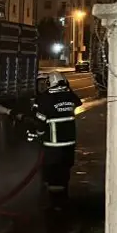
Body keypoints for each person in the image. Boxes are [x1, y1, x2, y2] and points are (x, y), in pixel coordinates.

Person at [29, 71, 82, 210]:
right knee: (64, 174)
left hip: (53, 146)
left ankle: (54, 205)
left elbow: (40, 123)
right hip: (69, 145)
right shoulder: (70, 96)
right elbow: (78, 102)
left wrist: (38, 134)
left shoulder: (45, 99)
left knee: (52, 175)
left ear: (49, 83)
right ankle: (63, 201)